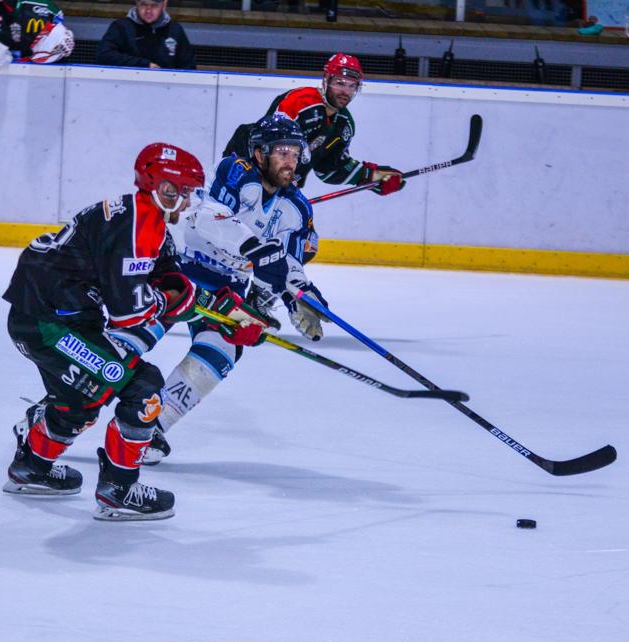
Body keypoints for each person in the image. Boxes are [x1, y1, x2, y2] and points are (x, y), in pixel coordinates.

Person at [1, 143, 205, 521]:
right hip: (49, 325)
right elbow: (130, 313)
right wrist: (173, 303)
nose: (186, 201)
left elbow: (169, 277)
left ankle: (32, 467)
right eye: (181, 192)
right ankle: (120, 490)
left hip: (53, 318)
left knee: (82, 400)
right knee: (142, 388)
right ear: (161, 189)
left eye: (191, 193)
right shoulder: (137, 223)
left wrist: (217, 304)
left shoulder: (145, 218)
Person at [141, 116, 328, 465]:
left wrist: (301, 296)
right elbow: (207, 215)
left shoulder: (298, 209)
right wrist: (254, 247)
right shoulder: (236, 171)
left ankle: (151, 425)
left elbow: (288, 261)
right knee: (137, 336)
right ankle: (70, 407)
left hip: (228, 287)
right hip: (181, 267)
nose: (291, 161)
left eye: (296, 153)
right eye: (282, 152)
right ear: (260, 154)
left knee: (223, 349)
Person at [222, 53, 406, 261]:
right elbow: (271, 146)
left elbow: (330, 170)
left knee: (305, 244)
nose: (345, 91)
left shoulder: (344, 124)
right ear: (326, 80)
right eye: (340, 83)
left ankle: (260, 291)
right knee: (233, 239)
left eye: (351, 86)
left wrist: (372, 177)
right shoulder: (301, 102)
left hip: (280, 186)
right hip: (247, 176)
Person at [0, 0, 74, 68]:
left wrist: (58, 43)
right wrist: (6, 64)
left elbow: (58, 42)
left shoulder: (46, 6)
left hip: (31, 78)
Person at [96, 0, 197, 70]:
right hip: (127, 89)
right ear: (136, 3)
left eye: (154, 5)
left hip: (166, 91)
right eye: (143, 4)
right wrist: (143, 65)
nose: (148, 10)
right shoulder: (121, 27)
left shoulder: (175, 30)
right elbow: (103, 55)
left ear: (164, 4)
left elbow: (189, 67)